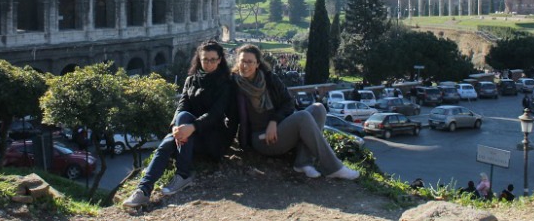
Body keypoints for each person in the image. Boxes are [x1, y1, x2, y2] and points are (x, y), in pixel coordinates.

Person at [123, 40, 236, 207]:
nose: (209, 63)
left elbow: (215, 114)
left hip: (212, 136)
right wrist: (176, 128)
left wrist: (192, 127)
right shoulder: (191, 79)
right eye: (205, 59)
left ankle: (173, 178)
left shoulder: (226, 83)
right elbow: (182, 105)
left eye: (213, 59)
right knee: (179, 122)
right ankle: (145, 189)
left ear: (220, 60)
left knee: (170, 140)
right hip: (188, 134)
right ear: (199, 59)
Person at [232, 44, 359, 180]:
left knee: (318, 109)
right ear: (238, 62)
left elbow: (288, 102)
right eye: (242, 61)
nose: (245, 65)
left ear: (257, 64)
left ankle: (303, 162)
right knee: (302, 116)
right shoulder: (234, 84)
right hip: (260, 138)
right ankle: (334, 168)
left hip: (278, 128)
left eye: (249, 62)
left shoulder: (269, 79)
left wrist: (274, 121)